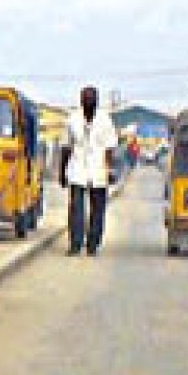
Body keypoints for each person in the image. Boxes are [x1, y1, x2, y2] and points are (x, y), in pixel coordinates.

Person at [59, 87, 117, 256]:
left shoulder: (105, 120)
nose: (88, 101)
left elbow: (110, 148)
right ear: (81, 100)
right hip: (77, 169)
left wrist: (109, 169)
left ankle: (93, 243)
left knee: (98, 210)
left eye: (91, 98)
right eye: (85, 98)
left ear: (97, 101)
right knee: (76, 209)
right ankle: (75, 244)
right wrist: (62, 171)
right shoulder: (72, 119)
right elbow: (66, 147)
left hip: (99, 170)